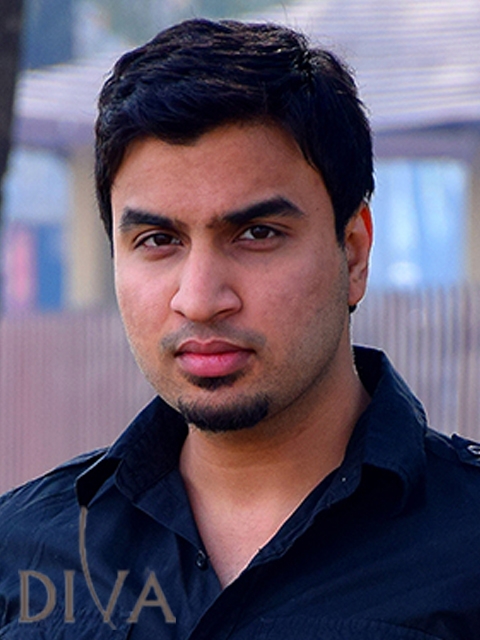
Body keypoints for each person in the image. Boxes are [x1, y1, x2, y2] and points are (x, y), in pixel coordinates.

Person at [1, 18, 480, 640]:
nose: (200, 300)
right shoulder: (26, 549)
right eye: (158, 240)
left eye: (257, 234)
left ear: (354, 252)